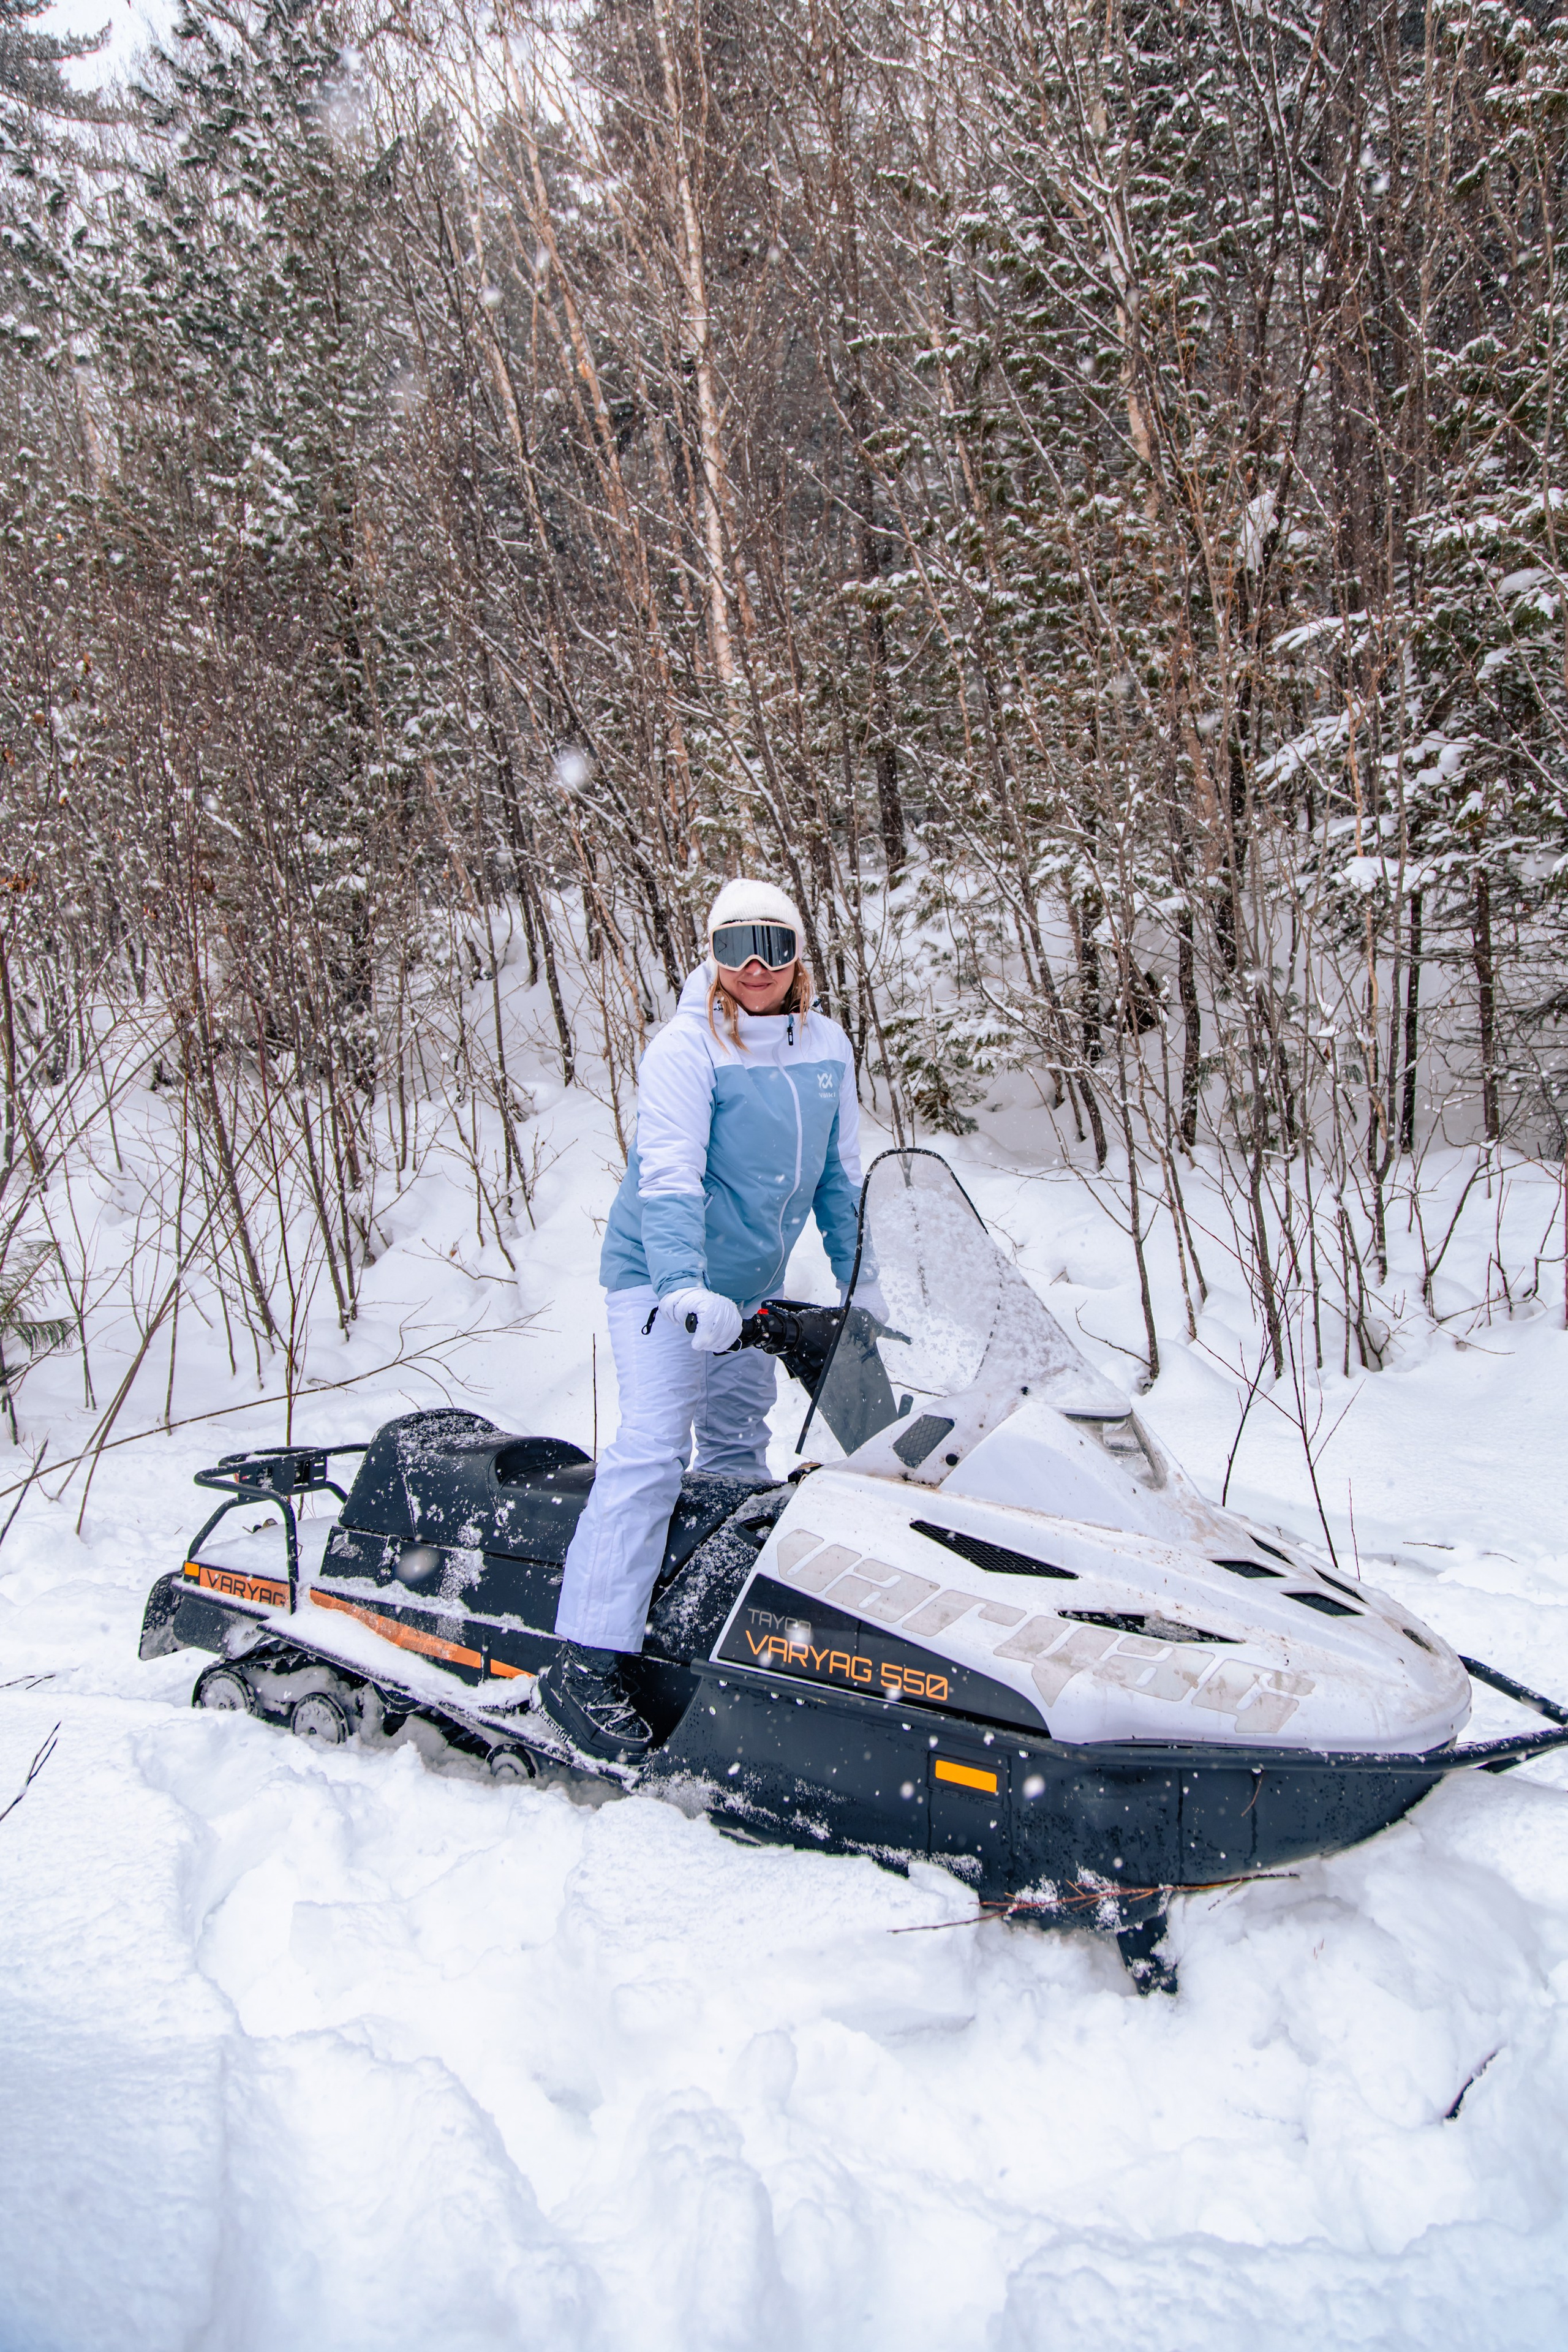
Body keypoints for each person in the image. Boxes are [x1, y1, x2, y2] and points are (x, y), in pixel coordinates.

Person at [536, 877, 865, 1762]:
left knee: (734, 1454)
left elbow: (839, 1181)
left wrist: (867, 1280)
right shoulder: (688, 1049)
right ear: (710, 958)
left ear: (800, 955)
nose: (753, 966)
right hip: (660, 1282)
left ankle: (698, 1632)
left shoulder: (827, 1046)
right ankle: (585, 1660)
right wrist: (682, 1286)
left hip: (747, 1290)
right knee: (652, 1447)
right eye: (732, 947)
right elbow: (671, 1175)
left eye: (771, 944)